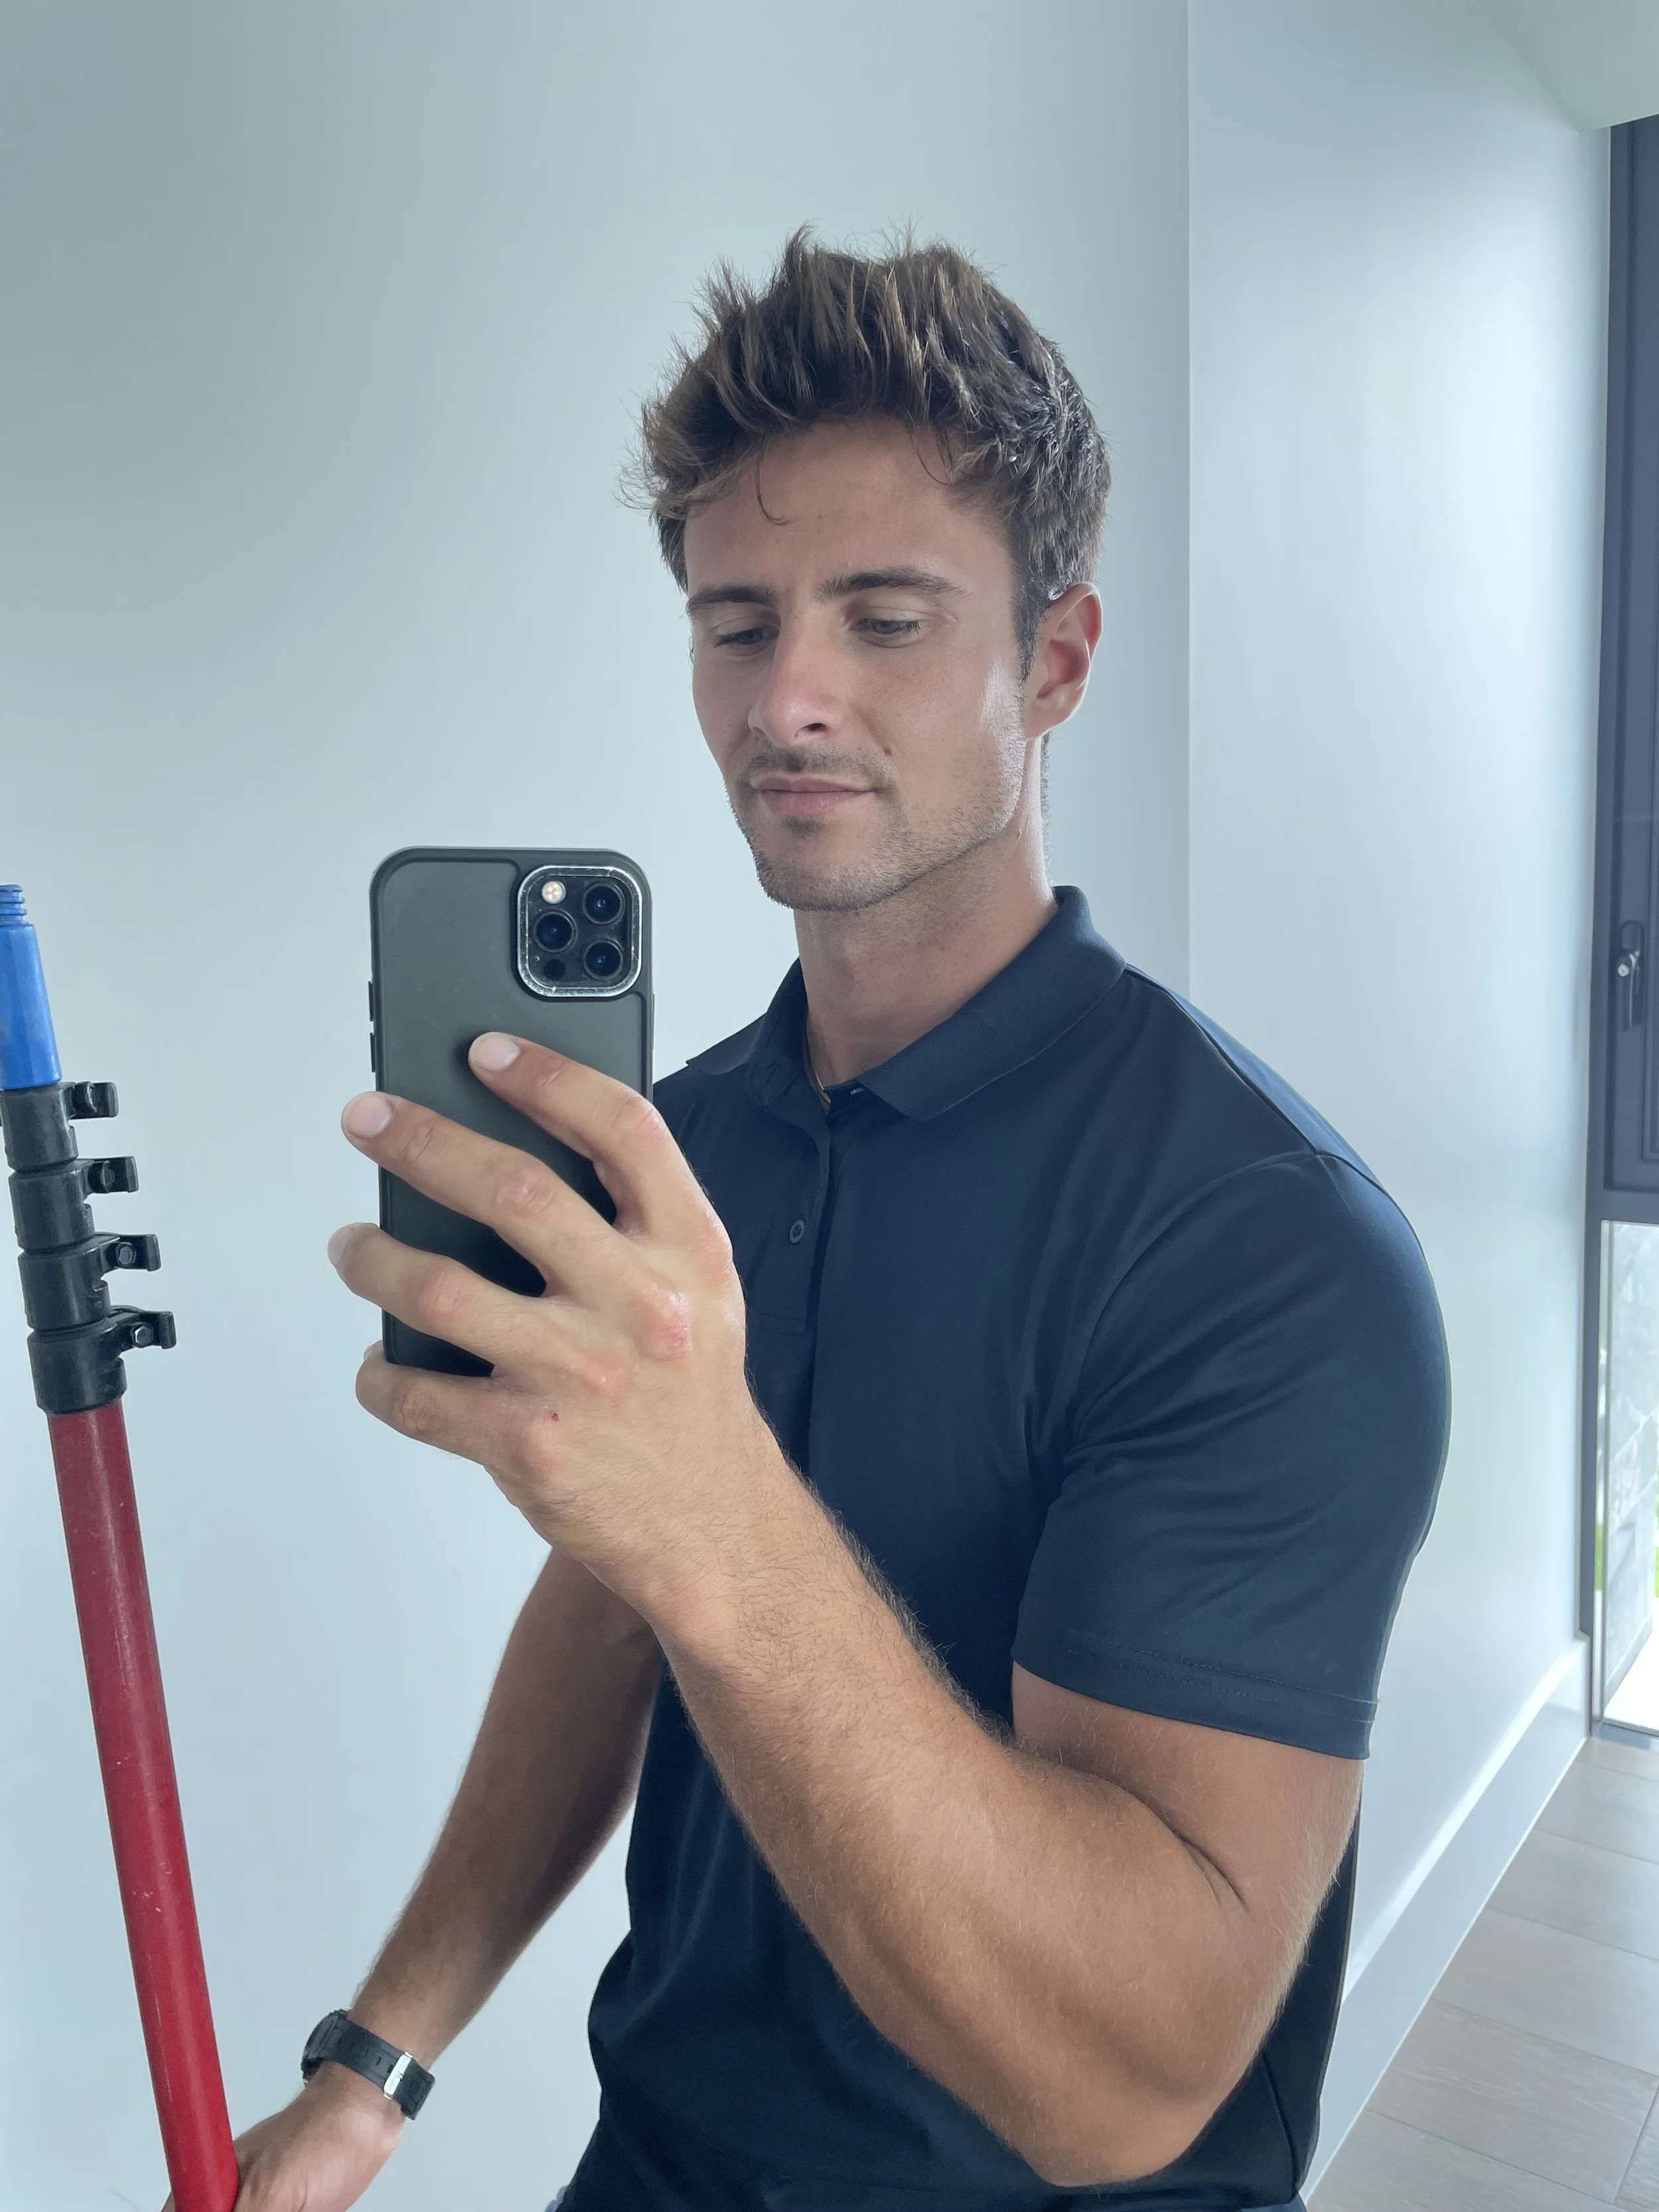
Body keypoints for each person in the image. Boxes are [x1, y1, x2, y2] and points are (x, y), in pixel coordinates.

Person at [198, 233, 1449, 2212]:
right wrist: (381, 2052)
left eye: (882, 618)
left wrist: (711, 1508)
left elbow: (1125, 2082)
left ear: (1050, 661)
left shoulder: (1268, 1250)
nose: (787, 696)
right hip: (660, 2164)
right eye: (734, 621)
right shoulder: (680, 1146)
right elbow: (611, 1600)